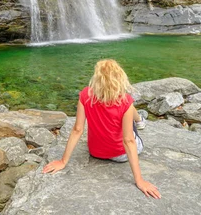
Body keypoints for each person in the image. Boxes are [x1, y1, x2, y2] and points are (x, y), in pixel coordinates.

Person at [42, 59, 161, 199]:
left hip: (96, 151)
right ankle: (139, 120)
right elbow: (128, 140)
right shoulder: (125, 101)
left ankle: (139, 119)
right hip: (120, 155)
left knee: (127, 105)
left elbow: (77, 129)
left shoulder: (85, 95)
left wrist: (63, 161)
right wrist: (139, 181)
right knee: (129, 108)